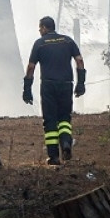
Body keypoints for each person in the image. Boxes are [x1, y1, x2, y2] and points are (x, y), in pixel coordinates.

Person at [23, 16, 86, 166]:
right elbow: (79, 61)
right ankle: (65, 143)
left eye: (40, 28)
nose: (39, 31)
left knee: (50, 120)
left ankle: (54, 157)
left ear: (44, 28)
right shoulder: (68, 41)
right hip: (66, 84)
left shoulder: (39, 44)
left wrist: (27, 88)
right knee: (64, 117)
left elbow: (31, 67)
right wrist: (81, 82)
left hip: (48, 86)